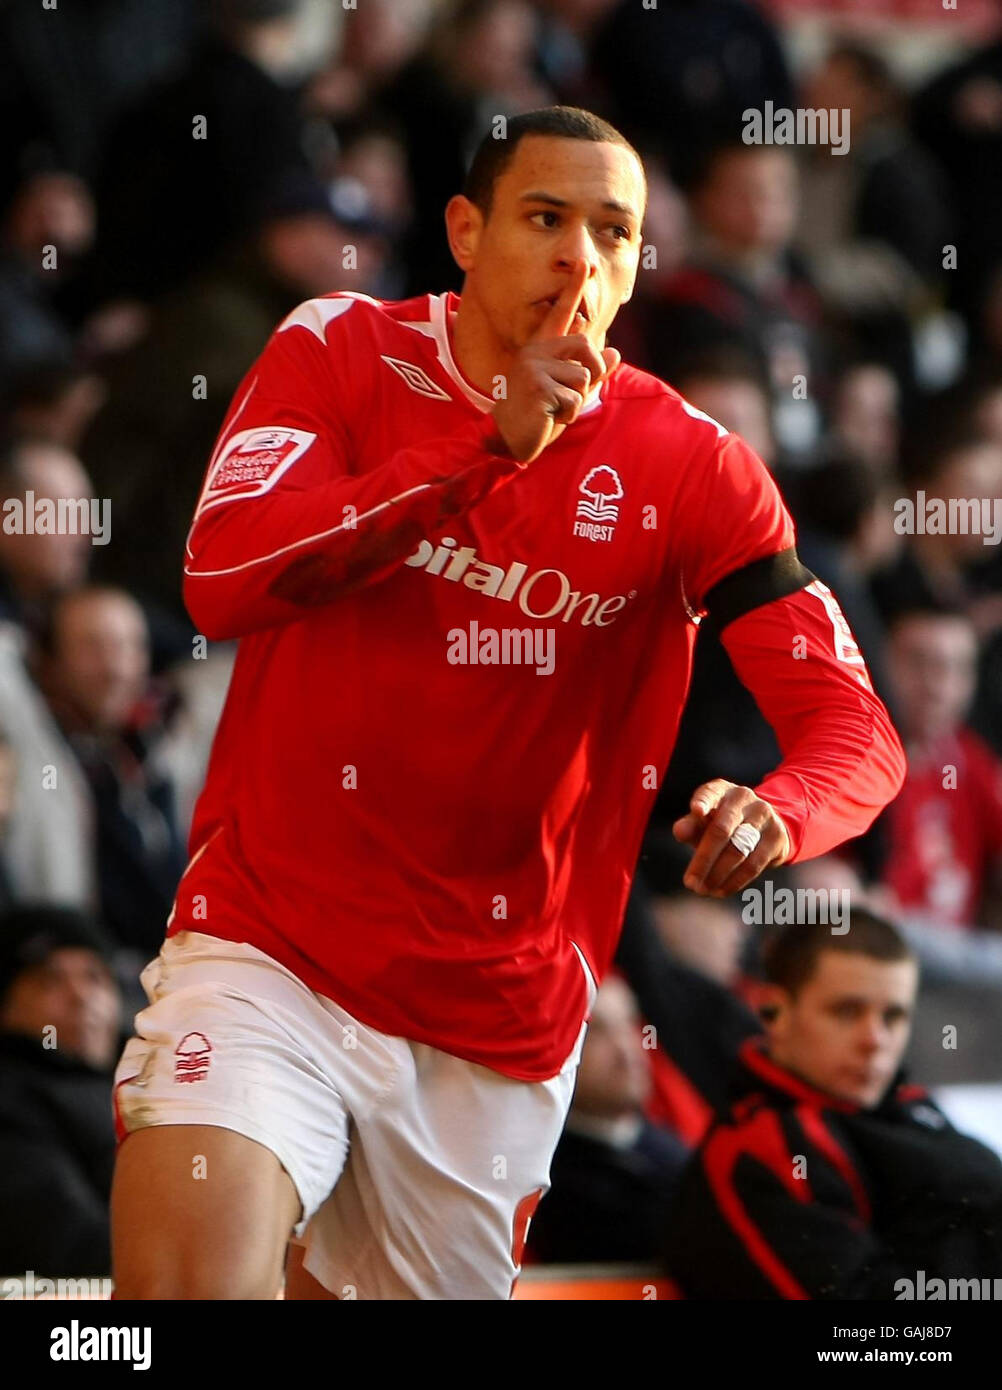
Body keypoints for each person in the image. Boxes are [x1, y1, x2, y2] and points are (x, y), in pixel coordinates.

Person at [111, 106, 905, 1302]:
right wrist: (477, 451)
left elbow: (858, 733)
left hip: (499, 1017)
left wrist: (781, 813)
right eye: (546, 219)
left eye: (614, 233)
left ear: (640, 266)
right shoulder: (340, 349)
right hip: (272, 945)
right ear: (467, 232)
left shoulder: (696, 467)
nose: (580, 258)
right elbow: (222, 574)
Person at [664, 910, 1002, 1299]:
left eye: (893, 1016)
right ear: (773, 1012)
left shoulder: (910, 1107)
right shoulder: (757, 1152)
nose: (875, 1040)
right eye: (847, 1012)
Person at [525, 974, 689, 1265]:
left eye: (629, 1025)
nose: (626, 1051)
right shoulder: (542, 1174)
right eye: (597, 1031)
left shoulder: (677, 1152)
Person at [0, 905, 121, 1277]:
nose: (81, 996)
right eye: (50, 981)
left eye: (95, 977)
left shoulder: (163, 1077)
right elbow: (72, 1247)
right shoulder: (12, 1101)